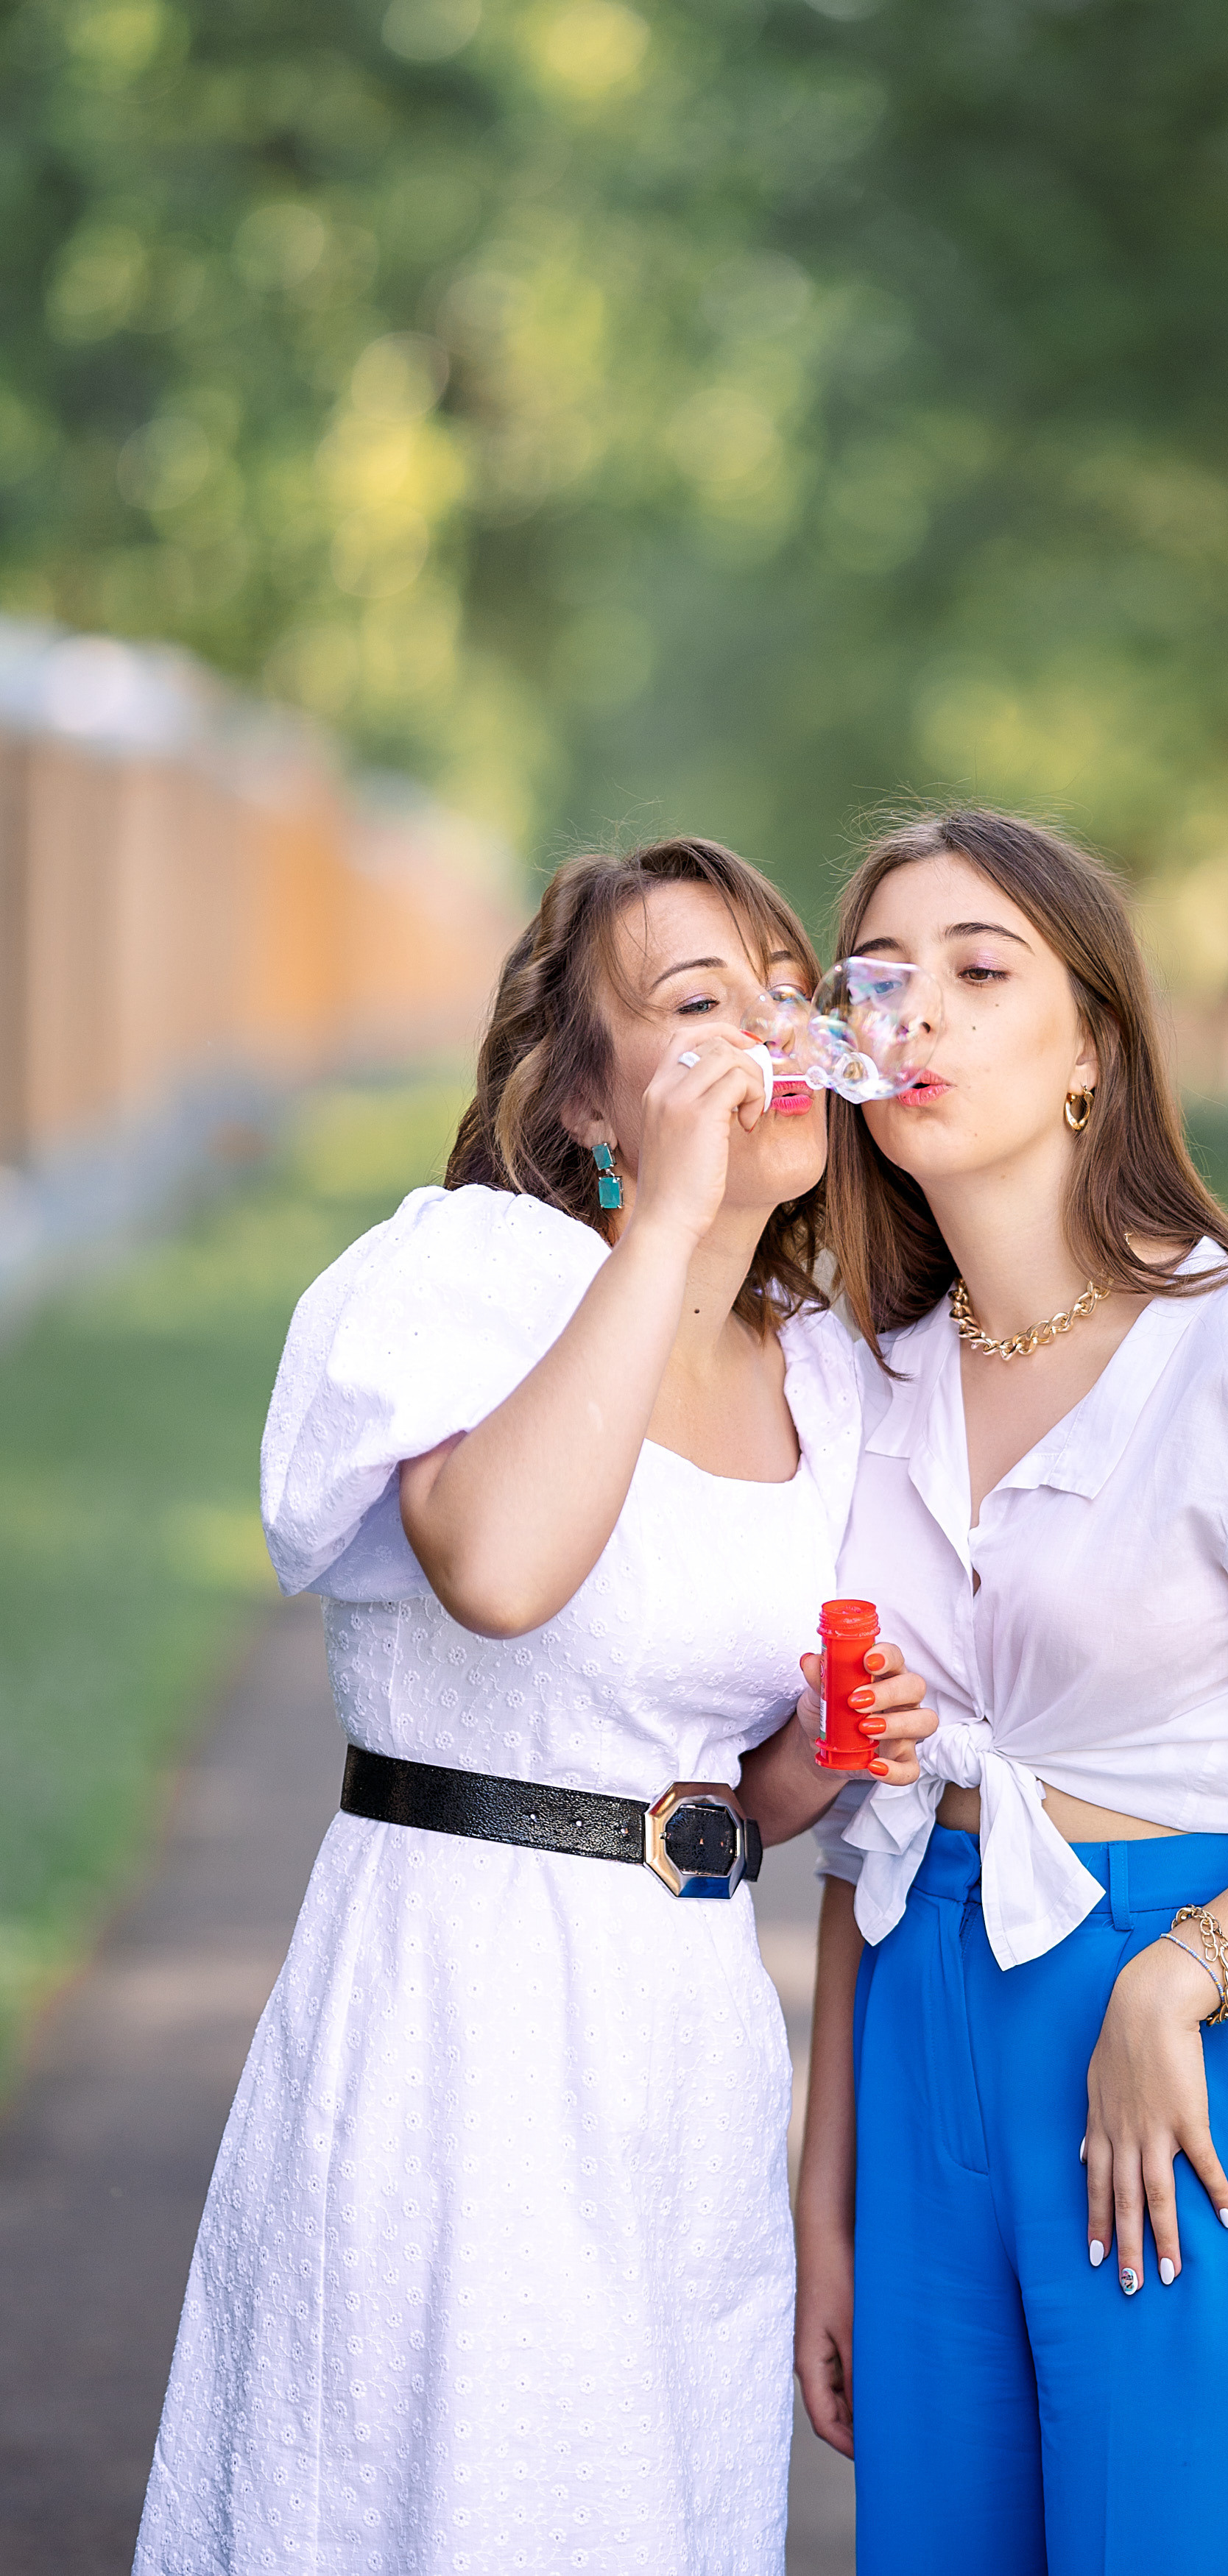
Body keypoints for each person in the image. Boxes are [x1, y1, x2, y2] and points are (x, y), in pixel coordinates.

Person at [134, 837, 933, 2576]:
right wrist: (661, 1222)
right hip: (463, 2006)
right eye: (694, 1005)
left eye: (785, 997)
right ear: (583, 1096)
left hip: (686, 2041)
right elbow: (499, 1567)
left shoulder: (823, 1377)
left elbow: (748, 1791)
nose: (766, 1037)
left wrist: (851, 1733)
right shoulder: (471, 1275)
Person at [794, 810, 1228, 2576]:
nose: (923, 1020)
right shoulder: (852, 1382)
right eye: (880, 983)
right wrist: (824, 2210)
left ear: (1090, 1049)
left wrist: (1179, 1981)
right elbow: (861, 1837)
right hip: (918, 2022)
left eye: (981, 971)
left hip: (1180, 2022)